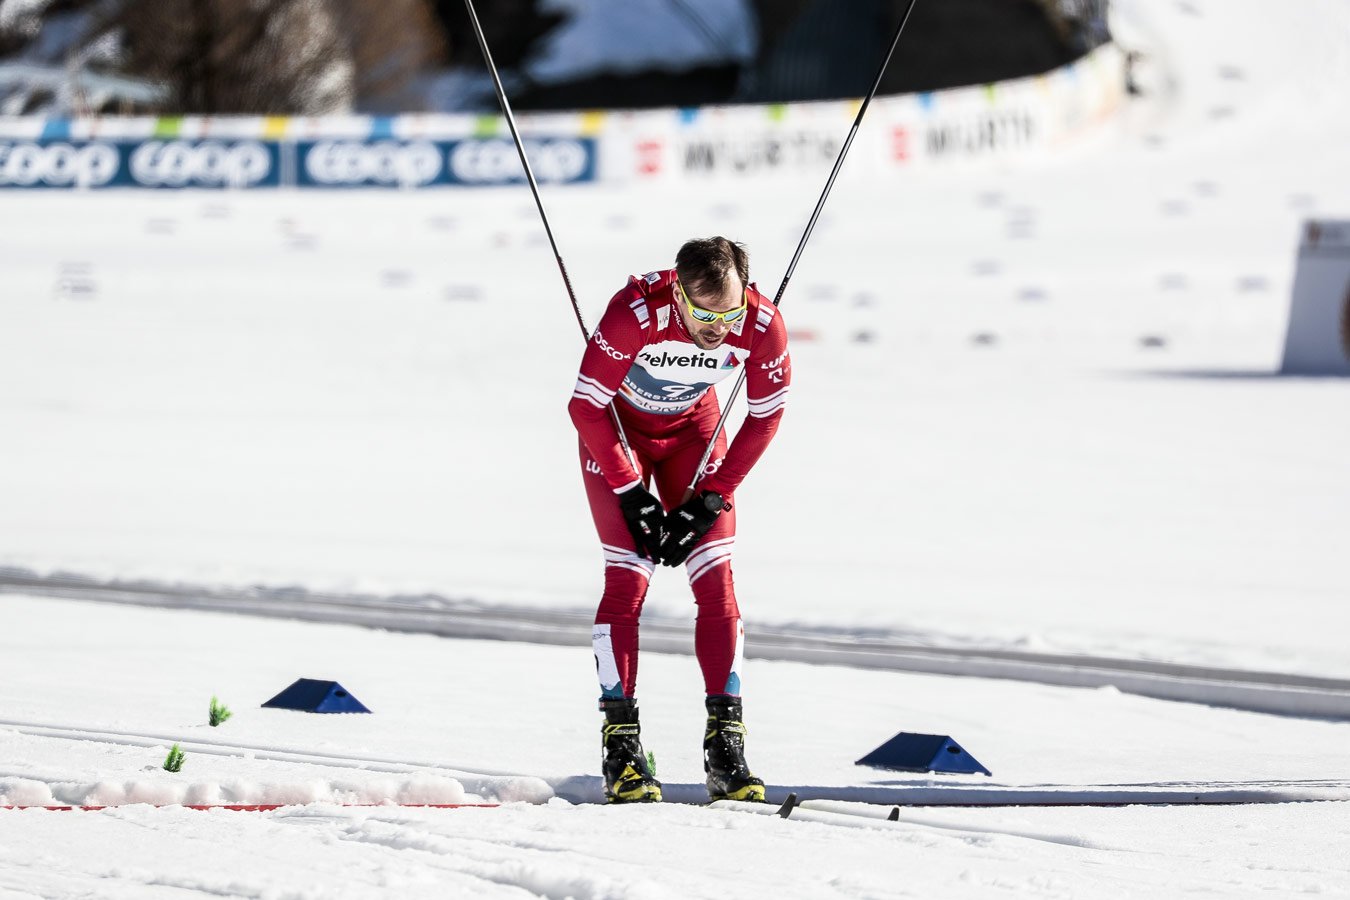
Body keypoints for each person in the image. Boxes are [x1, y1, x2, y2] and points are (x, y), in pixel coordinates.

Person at [567, 236, 792, 803]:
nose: (720, 328)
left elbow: (766, 416)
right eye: (704, 315)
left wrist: (712, 496)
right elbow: (584, 406)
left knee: (716, 580)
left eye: (731, 313)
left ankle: (726, 751)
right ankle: (622, 751)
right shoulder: (635, 314)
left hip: (695, 434)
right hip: (619, 437)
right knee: (628, 579)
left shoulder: (763, 325)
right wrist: (629, 492)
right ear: (677, 292)